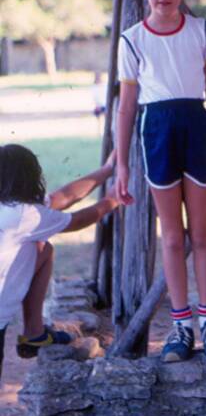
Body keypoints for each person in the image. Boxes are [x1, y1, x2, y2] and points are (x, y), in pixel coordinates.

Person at [116, 0, 206, 363]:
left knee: (200, 232)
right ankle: (180, 326)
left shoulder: (201, 30)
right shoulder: (131, 41)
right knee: (171, 235)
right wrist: (121, 165)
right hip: (158, 132)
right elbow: (127, 106)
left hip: (196, 128)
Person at [0, 145, 122, 379]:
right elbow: (77, 220)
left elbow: (62, 197)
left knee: (43, 249)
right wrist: (113, 200)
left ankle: (34, 334)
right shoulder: (25, 215)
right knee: (43, 247)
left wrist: (106, 170)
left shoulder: (14, 211)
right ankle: (33, 333)